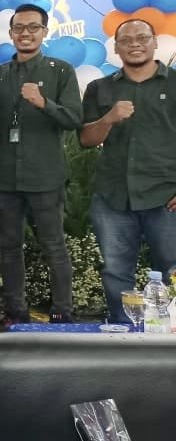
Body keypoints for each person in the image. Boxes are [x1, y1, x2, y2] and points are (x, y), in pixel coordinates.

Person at [0, 4, 81, 330]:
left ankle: (63, 312)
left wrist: (43, 102)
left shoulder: (61, 71)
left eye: (33, 27)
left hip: (45, 176)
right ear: (11, 33)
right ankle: (15, 311)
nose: (26, 33)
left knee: (53, 245)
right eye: (19, 28)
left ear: (44, 32)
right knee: (9, 246)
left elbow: (74, 119)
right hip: (5, 178)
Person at [80, 19, 176, 323]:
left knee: (173, 268)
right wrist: (108, 119)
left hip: (166, 196)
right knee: (116, 271)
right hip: (113, 195)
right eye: (126, 39)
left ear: (155, 42)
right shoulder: (100, 88)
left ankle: (171, 332)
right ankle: (125, 332)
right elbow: (86, 139)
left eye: (142, 37)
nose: (135, 43)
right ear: (117, 47)